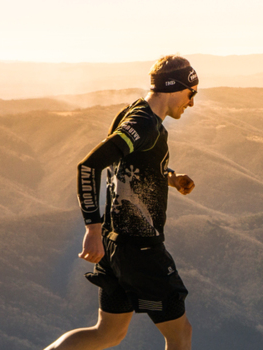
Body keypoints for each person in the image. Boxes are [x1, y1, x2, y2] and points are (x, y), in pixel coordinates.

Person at [46, 55, 199, 350]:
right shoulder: (144, 125)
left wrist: (170, 178)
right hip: (140, 249)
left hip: (116, 246)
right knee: (181, 335)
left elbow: (128, 166)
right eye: (191, 94)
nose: (191, 103)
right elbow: (90, 166)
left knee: (108, 334)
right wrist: (92, 227)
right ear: (175, 88)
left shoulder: (133, 114)